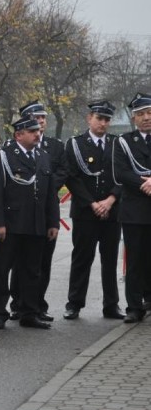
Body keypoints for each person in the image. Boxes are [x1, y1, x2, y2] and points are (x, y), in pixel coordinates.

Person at [0, 115, 59, 330]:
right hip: (11, 224)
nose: (37, 134)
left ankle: (29, 312)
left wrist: (53, 222)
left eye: (38, 130)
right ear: (19, 134)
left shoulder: (43, 157)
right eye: (32, 131)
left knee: (32, 271)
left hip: (36, 224)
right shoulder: (4, 156)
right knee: (2, 270)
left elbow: (50, 194)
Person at [63, 100, 123, 321]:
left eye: (107, 120)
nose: (103, 123)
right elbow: (72, 177)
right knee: (82, 258)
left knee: (110, 260)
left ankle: (111, 305)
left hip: (112, 210)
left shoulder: (118, 144)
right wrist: (92, 203)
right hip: (85, 212)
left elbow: (123, 175)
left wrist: (110, 200)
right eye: (99, 118)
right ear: (89, 118)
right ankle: (74, 304)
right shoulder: (75, 144)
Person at [10, 100, 66, 322]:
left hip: (45, 209)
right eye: (35, 118)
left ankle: (37, 304)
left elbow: (63, 171)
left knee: (43, 261)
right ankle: (18, 303)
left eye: (43, 117)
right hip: (23, 211)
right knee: (20, 261)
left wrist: (46, 186)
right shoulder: (13, 146)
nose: (41, 121)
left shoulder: (55, 146)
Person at [113, 92, 151, 323]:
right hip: (135, 211)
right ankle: (134, 307)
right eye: (141, 114)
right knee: (135, 260)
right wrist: (146, 184)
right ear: (133, 118)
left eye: (149, 113)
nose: (146, 118)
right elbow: (121, 173)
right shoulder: (124, 142)